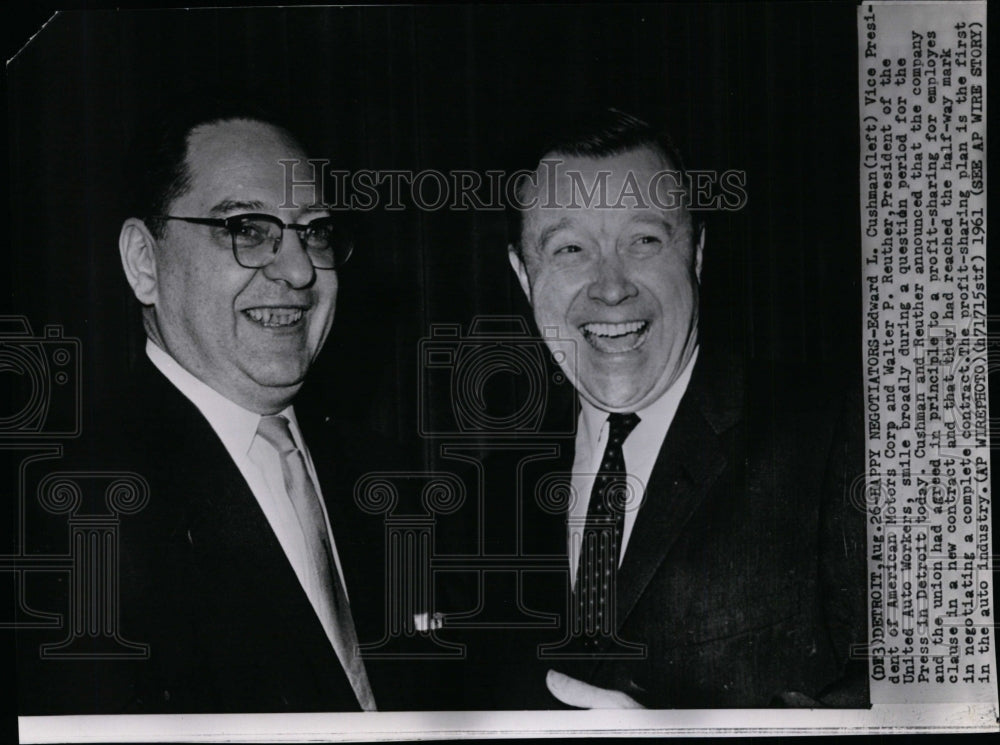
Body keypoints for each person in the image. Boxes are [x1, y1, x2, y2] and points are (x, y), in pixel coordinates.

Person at [16, 101, 403, 713]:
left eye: (316, 231)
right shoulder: (64, 513)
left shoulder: (390, 481)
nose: (300, 269)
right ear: (145, 262)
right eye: (247, 229)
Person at [484, 109, 868, 709]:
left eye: (645, 241)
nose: (611, 288)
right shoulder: (493, 491)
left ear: (697, 253)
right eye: (569, 249)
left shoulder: (834, 434)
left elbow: (915, 699)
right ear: (524, 277)